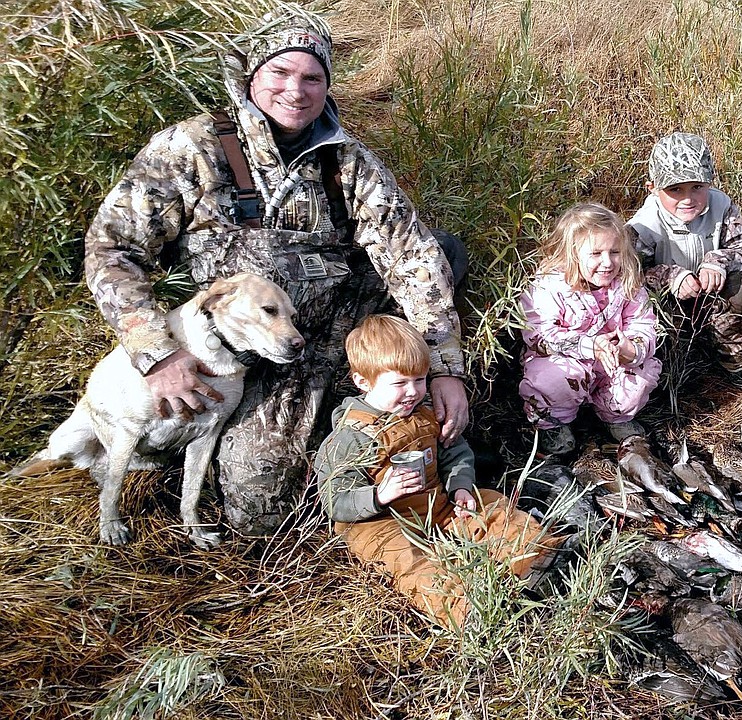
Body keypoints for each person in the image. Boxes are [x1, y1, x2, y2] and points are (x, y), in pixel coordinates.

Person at [83, 7, 470, 536]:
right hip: (246, 358)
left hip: (339, 331)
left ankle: (364, 400)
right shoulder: (193, 148)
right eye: (280, 72)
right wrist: (158, 354)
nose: (297, 89)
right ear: (250, 76)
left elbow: (411, 255)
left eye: (313, 77)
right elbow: (111, 249)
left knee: (442, 253)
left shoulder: (346, 159)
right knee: (259, 513)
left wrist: (443, 367)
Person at [313, 315, 560, 629]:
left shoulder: (424, 412)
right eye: (399, 383)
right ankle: (466, 608)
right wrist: (378, 495)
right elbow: (334, 500)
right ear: (364, 382)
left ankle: (534, 557)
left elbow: (454, 451)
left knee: (491, 503)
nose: (413, 392)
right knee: (407, 560)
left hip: (437, 505)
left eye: (419, 380)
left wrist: (460, 486)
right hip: (381, 523)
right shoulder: (350, 437)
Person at [519, 203, 662, 457]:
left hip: (609, 367)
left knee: (644, 369)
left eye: (615, 252)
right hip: (569, 363)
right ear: (571, 254)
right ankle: (552, 423)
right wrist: (590, 346)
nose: (607, 262)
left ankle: (613, 415)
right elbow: (539, 335)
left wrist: (632, 347)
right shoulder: (548, 287)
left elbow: (643, 324)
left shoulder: (627, 283)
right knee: (552, 378)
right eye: (596, 253)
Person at [627, 132, 742, 391]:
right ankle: (668, 363)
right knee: (649, 322)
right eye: (675, 189)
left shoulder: (722, 205)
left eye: (697, 187)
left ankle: (731, 353)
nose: (687, 198)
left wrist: (718, 261)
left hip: (712, 296)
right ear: (653, 189)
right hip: (669, 306)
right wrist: (671, 277)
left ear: (710, 183)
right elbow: (628, 277)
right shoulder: (643, 225)